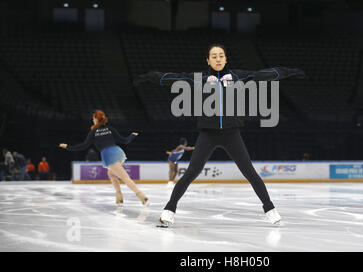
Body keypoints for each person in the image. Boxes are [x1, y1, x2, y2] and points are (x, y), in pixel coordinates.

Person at [134, 44, 305, 226]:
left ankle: (270, 209)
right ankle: (169, 210)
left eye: (221, 55)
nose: (218, 59)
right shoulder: (199, 79)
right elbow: (173, 78)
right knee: (191, 172)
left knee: (250, 173)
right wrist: (148, 77)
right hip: (208, 134)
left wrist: (291, 71)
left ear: (225, 59)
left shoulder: (237, 76)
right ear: (207, 60)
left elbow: (264, 75)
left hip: (232, 134)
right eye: (214, 56)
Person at [59, 110, 149, 206]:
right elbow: (124, 141)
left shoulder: (93, 132)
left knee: (125, 177)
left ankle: (142, 197)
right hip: (118, 152)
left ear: (96, 120)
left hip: (109, 155)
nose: (93, 120)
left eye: (93, 118)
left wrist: (68, 147)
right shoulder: (110, 129)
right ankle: (119, 197)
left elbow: (84, 146)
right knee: (111, 174)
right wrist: (132, 136)